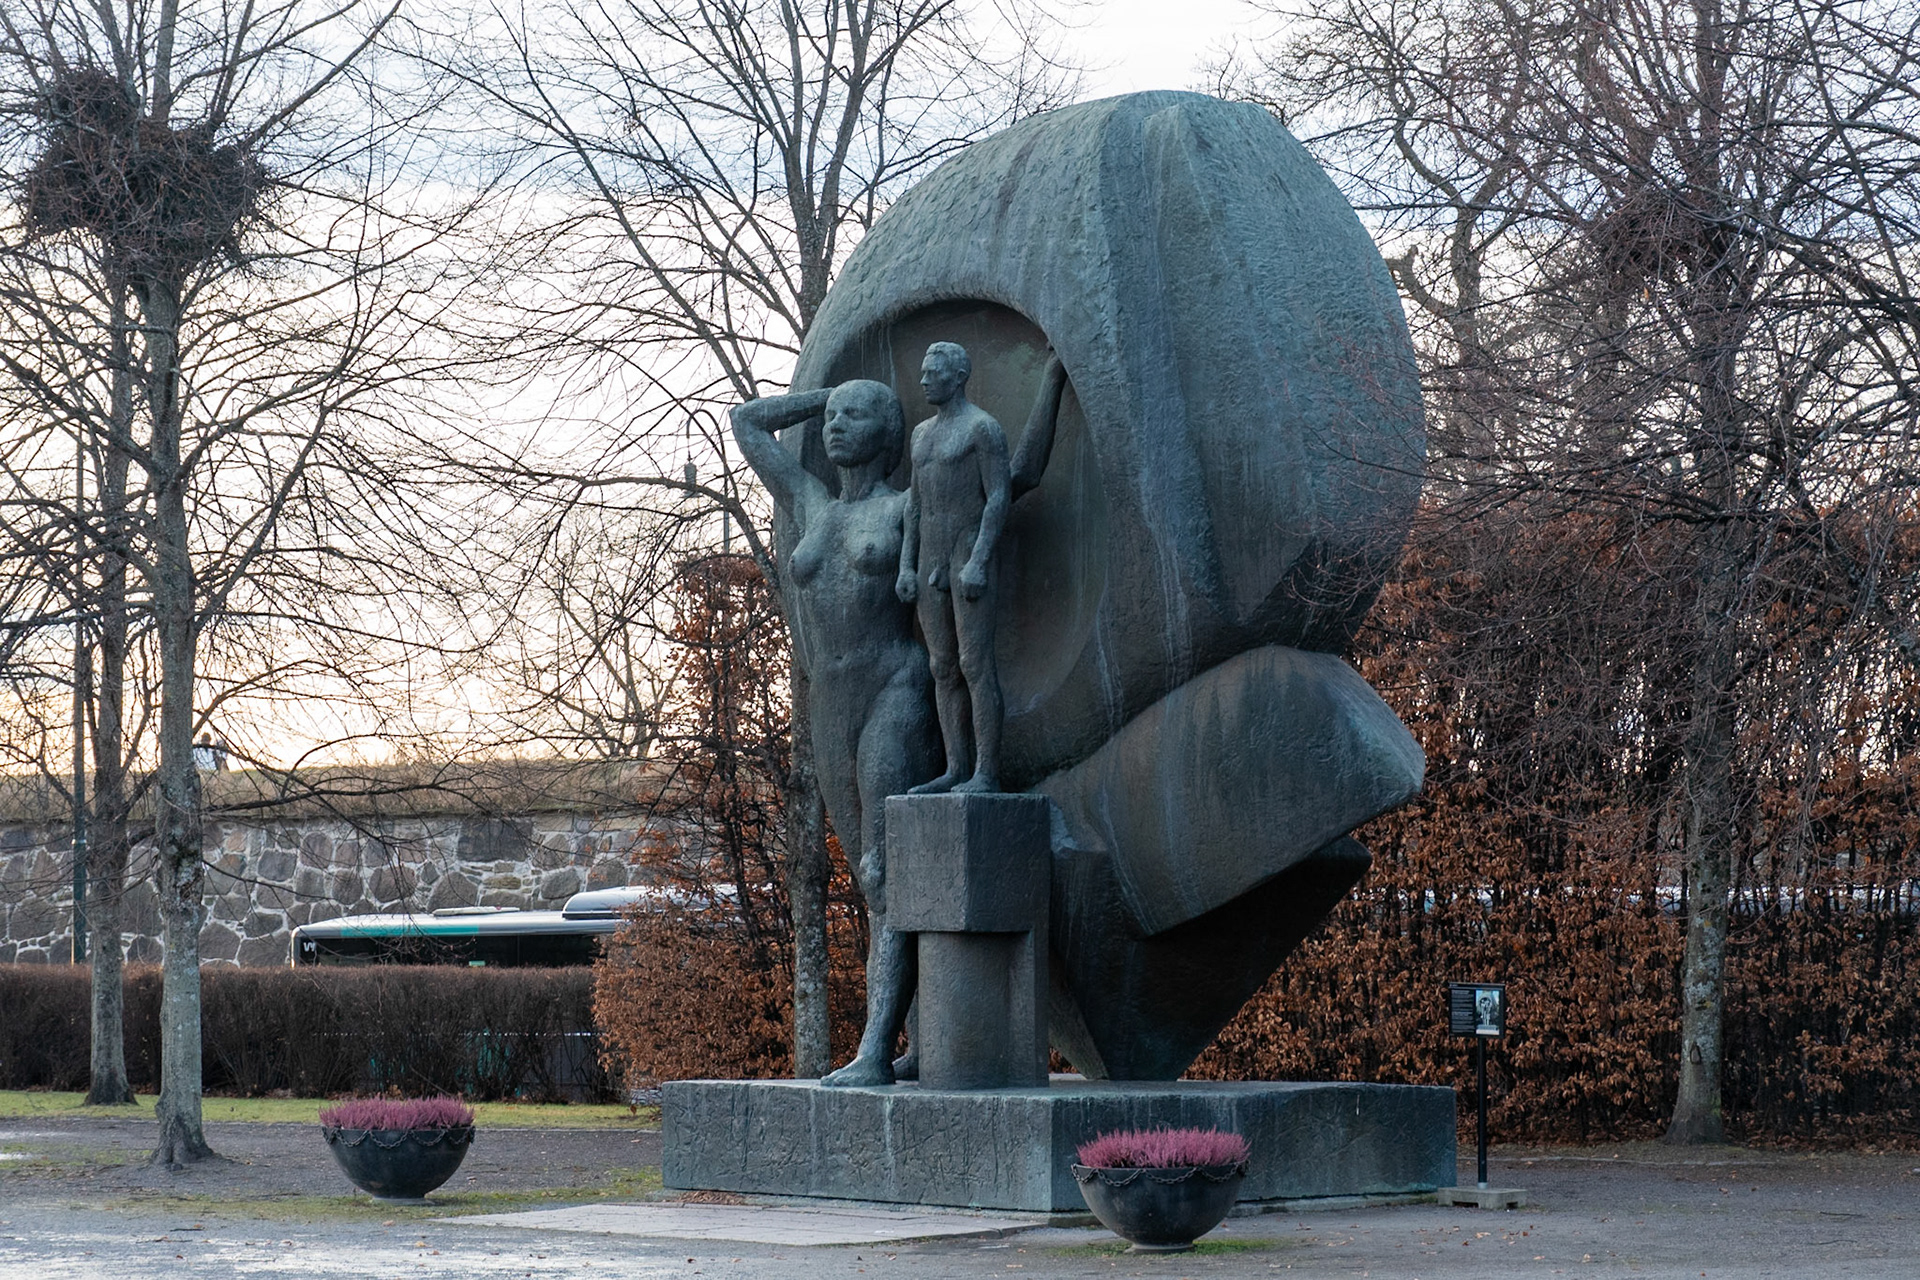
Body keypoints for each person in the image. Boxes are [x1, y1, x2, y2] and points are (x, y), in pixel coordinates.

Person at [732, 379, 939, 1087]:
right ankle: (919, 1040)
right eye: (834, 418)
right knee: (868, 875)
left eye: (858, 415)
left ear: (888, 432)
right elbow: (748, 421)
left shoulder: (908, 506)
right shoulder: (812, 504)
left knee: (885, 872)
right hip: (831, 706)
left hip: (895, 692)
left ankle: (876, 1050)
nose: (839, 426)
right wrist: (825, 397)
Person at [897, 345, 1068, 795]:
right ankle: (956, 767)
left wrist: (979, 560)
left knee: (975, 664)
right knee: (942, 666)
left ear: (959, 376)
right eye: (922, 371)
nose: (924, 380)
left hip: (966, 556)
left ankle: (985, 772)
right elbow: (915, 505)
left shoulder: (982, 429)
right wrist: (905, 566)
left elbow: (997, 497)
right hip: (929, 559)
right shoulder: (921, 436)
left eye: (933, 372)